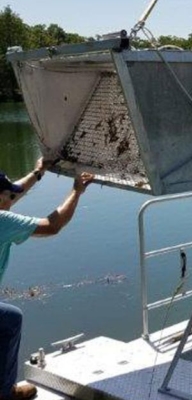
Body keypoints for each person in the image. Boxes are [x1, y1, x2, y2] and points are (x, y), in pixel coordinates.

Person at [0, 159, 94, 400]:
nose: (12, 197)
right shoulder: (2, 221)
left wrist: (38, 172)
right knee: (10, 320)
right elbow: (53, 225)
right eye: (7, 194)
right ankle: (5, 392)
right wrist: (76, 191)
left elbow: (14, 193)